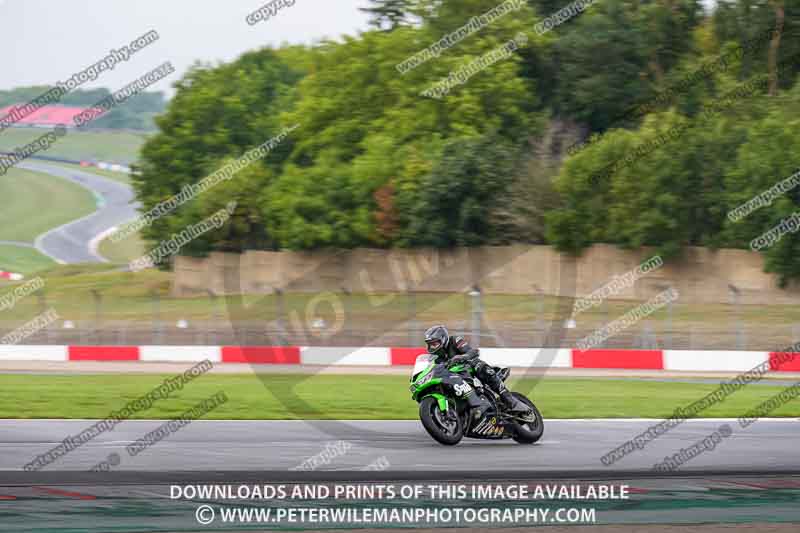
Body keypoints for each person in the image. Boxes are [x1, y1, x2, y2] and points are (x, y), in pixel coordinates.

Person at [424, 325, 530, 417]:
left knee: (480, 367)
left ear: (443, 339)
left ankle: (511, 401)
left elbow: (473, 352)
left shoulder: (455, 340)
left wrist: (461, 357)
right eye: (430, 344)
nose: (432, 347)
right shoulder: (436, 358)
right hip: (455, 378)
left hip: (469, 368)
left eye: (435, 343)